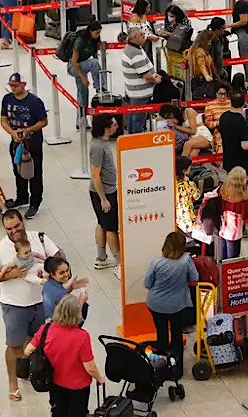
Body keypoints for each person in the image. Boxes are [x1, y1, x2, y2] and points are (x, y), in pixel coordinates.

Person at [0, 210, 63, 401]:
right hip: (15, 305)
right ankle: (13, 384)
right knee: (13, 346)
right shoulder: (0, 248)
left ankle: (37, 373)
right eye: (9, 228)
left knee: (40, 342)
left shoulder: (39, 239)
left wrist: (53, 271)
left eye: (17, 226)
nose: (14, 231)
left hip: (41, 303)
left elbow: (58, 259)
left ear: (23, 222)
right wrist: (12, 275)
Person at [25, 296, 104, 417]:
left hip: (54, 381)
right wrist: (99, 378)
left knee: (58, 412)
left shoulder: (46, 329)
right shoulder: (82, 336)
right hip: (78, 385)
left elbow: (28, 350)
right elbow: (90, 367)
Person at [145, 232, 198, 375]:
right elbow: (195, 278)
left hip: (156, 304)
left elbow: (147, 284)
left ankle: (162, 368)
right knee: (176, 335)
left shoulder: (156, 263)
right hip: (177, 305)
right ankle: (177, 370)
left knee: (161, 335)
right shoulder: (186, 261)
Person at [0, 72, 48, 219]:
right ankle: (22, 197)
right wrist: (13, 133)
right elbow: (3, 120)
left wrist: (28, 130)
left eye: (15, 85)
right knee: (18, 170)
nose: (13, 88)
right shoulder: (7, 99)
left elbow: (43, 121)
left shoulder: (35, 102)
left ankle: (35, 202)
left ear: (23, 84)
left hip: (33, 143)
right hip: (16, 143)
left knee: (34, 173)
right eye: (11, 85)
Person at [89, 115, 122, 275]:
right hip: (105, 193)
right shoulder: (98, 147)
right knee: (111, 228)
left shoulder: (103, 143)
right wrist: (103, 199)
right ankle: (119, 263)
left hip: (106, 192)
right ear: (106, 127)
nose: (117, 126)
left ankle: (101, 258)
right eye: (114, 124)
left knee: (102, 223)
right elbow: (96, 175)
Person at [121, 26, 163, 134]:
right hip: (140, 92)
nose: (144, 36)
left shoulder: (133, 48)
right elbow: (146, 75)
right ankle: (137, 138)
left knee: (134, 115)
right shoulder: (135, 53)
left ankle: (132, 136)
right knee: (138, 118)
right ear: (134, 37)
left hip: (134, 90)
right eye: (141, 35)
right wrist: (155, 78)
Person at [69, 20, 105, 118]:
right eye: (96, 33)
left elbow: (94, 55)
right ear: (90, 31)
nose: (98, 35)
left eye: (99, 33)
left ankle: (81, 119)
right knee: (94, 63)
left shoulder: (94, 40)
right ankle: (99, 88)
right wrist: (83, 77)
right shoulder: (80, 41)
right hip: (74, 67)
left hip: (83, 65)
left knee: (83, 92)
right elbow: (74, 62)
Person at [219, 93, 248, 174]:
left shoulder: (224, 116)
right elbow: (245, 145)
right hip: (241, 163)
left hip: (228, 160)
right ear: (244, 103)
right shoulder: (240, 120)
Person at [42, 256, 89, 323]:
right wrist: (81, 301)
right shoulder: (61, 294)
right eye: (61, 273)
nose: (66, 274)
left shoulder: (47, 284)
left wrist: (71, 287)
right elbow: (73, 314)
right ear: (52, 275)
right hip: (60, 324)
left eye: (67, 271)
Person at [159, 5, 194, 75]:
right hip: (171, 47)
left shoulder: (185, 22)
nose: (169, 18)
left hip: (182, 47)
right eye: (168, 15)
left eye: (172, 16)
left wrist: (170, 34)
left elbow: (184, 35)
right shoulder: (167, 22)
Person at [187, 30, 220, 98]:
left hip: (198, 80)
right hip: (201, 82)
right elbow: (201, 65)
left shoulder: (198, 50)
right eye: (209, 41)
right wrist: (206, 76)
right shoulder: (200, 51)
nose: (210, 44)